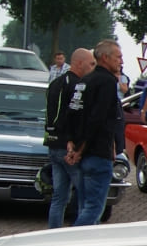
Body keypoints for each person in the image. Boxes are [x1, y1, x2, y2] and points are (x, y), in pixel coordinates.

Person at [68, 39, 127, 226]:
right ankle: (71, 244)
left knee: (83, 206)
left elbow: (73, 115)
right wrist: (81, 148)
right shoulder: (107, 82)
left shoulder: (84, 80)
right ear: (105, 57)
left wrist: (73, 145)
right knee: (94, 209)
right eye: (118, 57)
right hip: (97, 153)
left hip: (84, 156)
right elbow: (98, 119)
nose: (121, 61)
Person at [45, 48, 96, 229]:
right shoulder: (78, 85)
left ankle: (53, 234)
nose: (93, 68)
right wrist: (75, 142)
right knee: (84, 196)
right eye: (91, 64)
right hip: (68, 147)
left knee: (59, 197)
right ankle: (81, 237)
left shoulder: (55, 83)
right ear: (79, 63)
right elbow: (75, 116)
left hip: (52, 143)